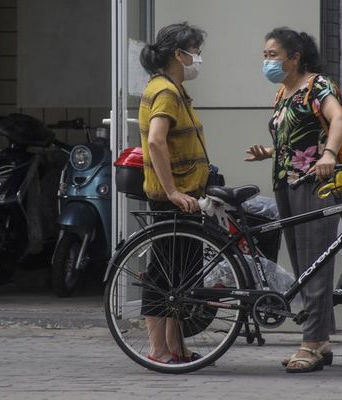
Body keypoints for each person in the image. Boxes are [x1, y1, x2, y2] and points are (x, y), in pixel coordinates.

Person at [245, 27, 342, 373]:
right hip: (286, 183)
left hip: (315, 184)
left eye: (272, 55)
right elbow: (297, 138)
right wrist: (270, 152)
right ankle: (321, 340)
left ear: (295, 57)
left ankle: (311, 344)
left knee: (315, 262)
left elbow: (339, 119)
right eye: (264, 55)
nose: (267, 61)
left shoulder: (318, 86)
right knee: (305, 264)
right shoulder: (284, 92)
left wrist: (330, 154)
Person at [138, 22, 209, 364]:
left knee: (180, 276)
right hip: (175, 197)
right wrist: (172, 191)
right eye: (195, 51)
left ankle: (175, 346)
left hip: (188, 195)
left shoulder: (173, 89)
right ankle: (158, 349)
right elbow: (155, 140)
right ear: (178, 55)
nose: (198, 58)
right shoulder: (165, 91)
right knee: (164, 273)